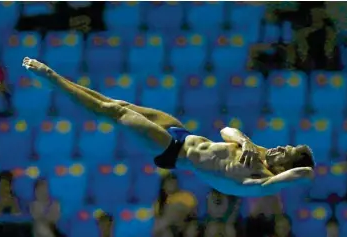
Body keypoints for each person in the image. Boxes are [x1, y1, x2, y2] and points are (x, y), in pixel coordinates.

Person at [22, 57, 315, 197]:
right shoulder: (258, 153)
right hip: (180, 132)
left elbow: (306, 172)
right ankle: (56, 79)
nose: (278, 147)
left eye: (285, 152)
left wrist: (284, 164)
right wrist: (248, 142)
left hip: (171, 151)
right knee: (116, 102)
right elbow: (227, 130)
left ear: (284, 167)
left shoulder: (259, 181)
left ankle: (51, 79)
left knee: (111, 112)